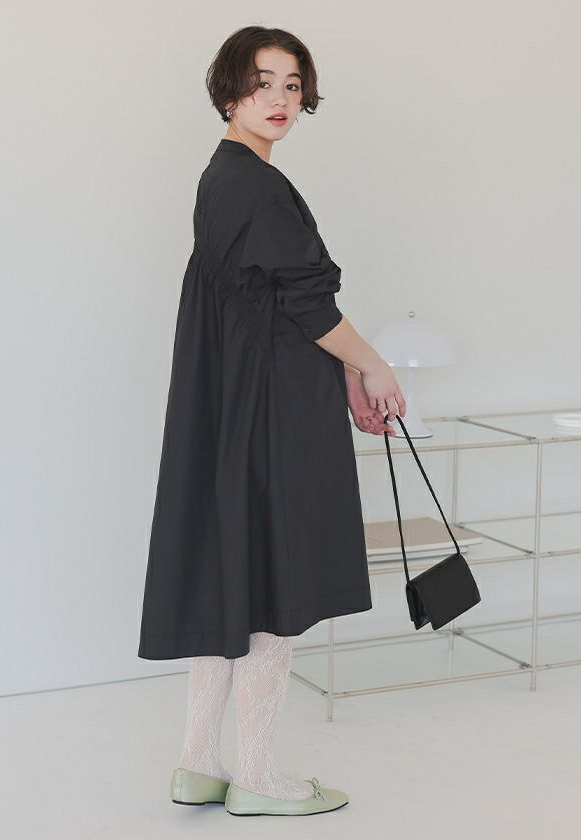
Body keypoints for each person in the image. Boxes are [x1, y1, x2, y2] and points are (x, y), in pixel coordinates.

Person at [138, 26, 406, 816]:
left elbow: (272, 302)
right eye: (263, 82)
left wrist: (346, 368)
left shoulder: (224, 177)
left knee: (236, 581)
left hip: (243, 408)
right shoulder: (252, 184)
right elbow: (308, 304)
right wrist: (372, 363)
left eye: (292, 84)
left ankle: (198, 763)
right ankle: (257, 776)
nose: (281, 98)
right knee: (270, 589)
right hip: (270, 416)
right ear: (230, 91)